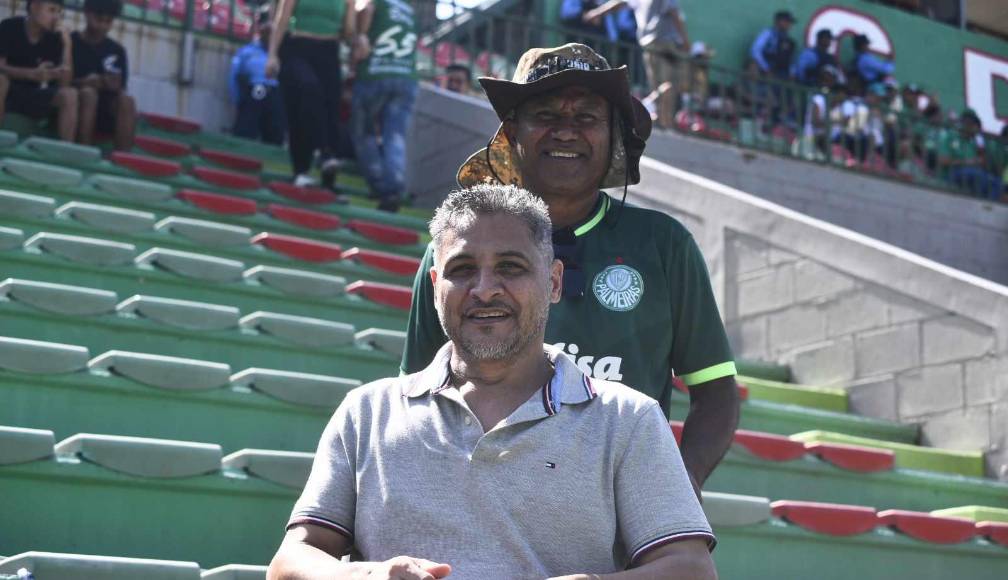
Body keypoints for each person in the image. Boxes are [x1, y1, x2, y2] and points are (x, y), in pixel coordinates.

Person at [268, 184, 718, 579]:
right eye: (462, 269)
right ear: (434, 285)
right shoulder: (366, 413)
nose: (485, 289)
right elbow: (292, 561)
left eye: (511, 267)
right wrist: (369, 576)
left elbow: (692, 570)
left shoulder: (628, 419)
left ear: (555, 282)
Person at [402, 44, 741, 501]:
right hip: (480, 499)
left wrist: (679, 483)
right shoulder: (456, 248)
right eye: (546, 114)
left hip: (617, 508)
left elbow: (717, 394)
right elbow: (418, 393)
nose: (566, 132)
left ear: (613, 137)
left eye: (586, 117)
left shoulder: (664, 244)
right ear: (512, 131)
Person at [266, 0, 353, 188]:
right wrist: (272, 55)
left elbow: (348, 33)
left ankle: (328, 179)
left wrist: (352, 11)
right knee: (307, 91)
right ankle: (307, 165)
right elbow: (282, 19)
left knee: (330, 108)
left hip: (329, 51)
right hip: (297, 47)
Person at [349, 0, 418, 212]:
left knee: (364, 132)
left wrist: (359, 35)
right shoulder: (408, 10)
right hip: (406, 76)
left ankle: (379, 184)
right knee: (394, 135)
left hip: (375, 72)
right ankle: (394, 187)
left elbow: (364, 8)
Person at [583, 0, 691, 129]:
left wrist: (597, 13)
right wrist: (685, 40)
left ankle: (660, 118)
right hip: (666, 44)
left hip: (649, 43)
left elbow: (619, 3)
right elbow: (673, 13)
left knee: (659, 85)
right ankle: (659, 117)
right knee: (669, 85)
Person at [0, 0, 78, 142]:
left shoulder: (56, 37)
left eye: (59, 12)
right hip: (9, 92)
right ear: (34, 7)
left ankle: (66, 152)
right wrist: (31, 74)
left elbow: (65, 83)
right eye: (52, 10)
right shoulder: (9, 26)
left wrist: (67, 44)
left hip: (36, 95)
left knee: (70, 94)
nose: (56, 17)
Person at [72, 0, 134, 149]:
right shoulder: (71, 41)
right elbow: (58, 83)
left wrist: (110, 84)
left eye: (108, 21)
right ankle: (83, 151)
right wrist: (85, 82)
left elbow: (121, 88)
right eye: (99, 19)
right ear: (87, 13)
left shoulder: (117, 50)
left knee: (127, 101)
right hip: (75, 105)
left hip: (105, 110)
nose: (103, 26)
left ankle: (123, 158)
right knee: (89, 94)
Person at [229, 6, 285, 145]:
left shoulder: (285, 53)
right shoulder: (246, 52)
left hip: (277, 98)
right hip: (253, 96)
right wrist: (238, 101)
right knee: (244, 136)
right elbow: (234, 78)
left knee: (275, 139)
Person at [939, 108, 1002, 200]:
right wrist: (967, 162)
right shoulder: (950, 136)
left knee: (997, 182)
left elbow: (982, 163)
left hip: (971, 175)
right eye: (970, 124)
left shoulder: (974, 143)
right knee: (978, 175)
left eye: (975, 125)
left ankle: (986, 207)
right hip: (951, 174)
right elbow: (942, 160)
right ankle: (978, 202)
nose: (974, 128)